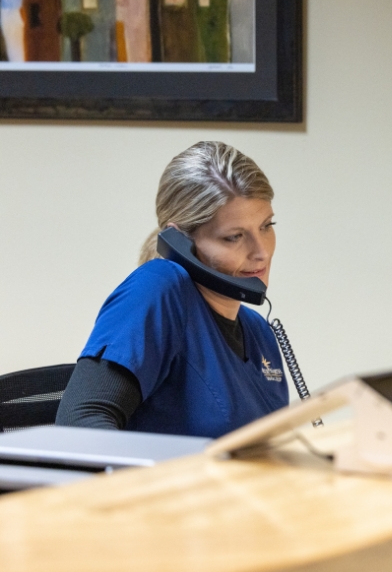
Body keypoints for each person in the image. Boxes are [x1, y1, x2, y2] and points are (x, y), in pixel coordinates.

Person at [56, 141, 289, 439]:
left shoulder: (259, 332)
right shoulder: (158, 289)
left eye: (267, 226)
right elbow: (79, 422)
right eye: (234, 237)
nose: (261, 253)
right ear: (181, 242)